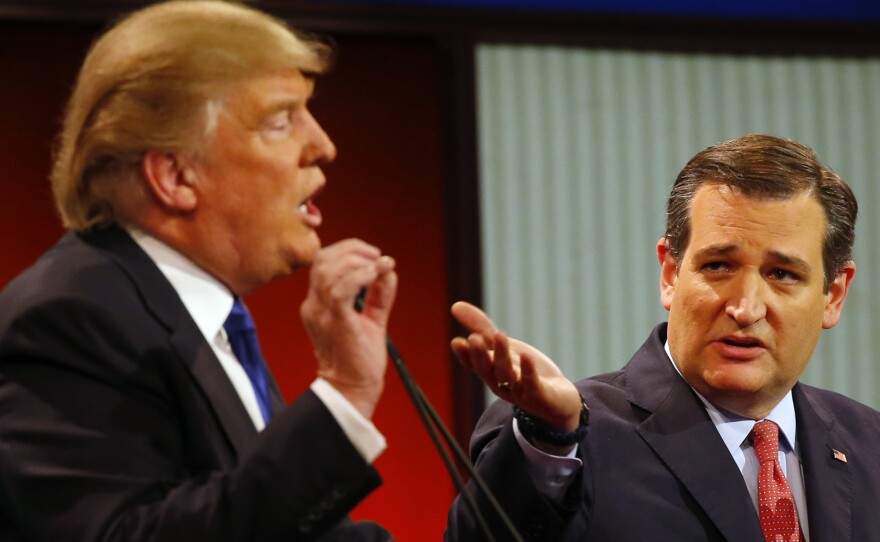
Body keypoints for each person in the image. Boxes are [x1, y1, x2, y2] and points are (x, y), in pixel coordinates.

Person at [0, 2, 397, 540]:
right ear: (175, 175)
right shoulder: (72, 319)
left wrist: (536, 449)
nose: (323, 146)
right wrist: (343, 394)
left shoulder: (200, 321)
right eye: (281, 121)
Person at [446, 134, 880, 541]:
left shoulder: (870, 445)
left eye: (782, 274)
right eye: (718, 266)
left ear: (833, 295)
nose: (745, 308)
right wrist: (550, 438)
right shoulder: (569, 439)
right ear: (671, 274)